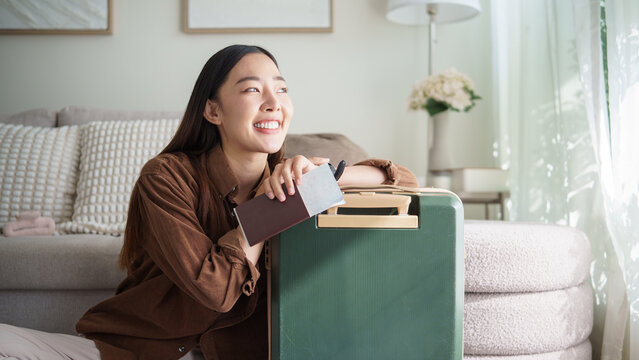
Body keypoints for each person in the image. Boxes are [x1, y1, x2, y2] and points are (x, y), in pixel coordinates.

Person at [0, 45, 418, 359]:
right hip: (139, 352)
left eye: (282, 89)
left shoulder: (297, 179)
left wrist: (325, 176)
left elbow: (406, 182)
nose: (273, 101)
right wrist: (272, 205)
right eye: (252, 89)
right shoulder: (164, 177)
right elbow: (216, 289)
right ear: (213, 111)